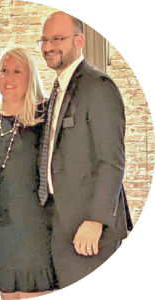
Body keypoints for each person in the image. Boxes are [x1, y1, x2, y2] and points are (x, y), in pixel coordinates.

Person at [37, 11, 133, 289]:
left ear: (79, 41)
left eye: (57, 38)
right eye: (44, 39)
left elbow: (112, 162)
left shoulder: (98, 87)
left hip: (90, 230)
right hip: (61, 224)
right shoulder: (58, 89)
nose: (48, 46)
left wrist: (96, 221)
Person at [0, 48, 57, 300]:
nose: (8, 77)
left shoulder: (46, 113)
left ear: (30, 75)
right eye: (4, 70)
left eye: (17, 71)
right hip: (0, 227)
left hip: (37, 225)